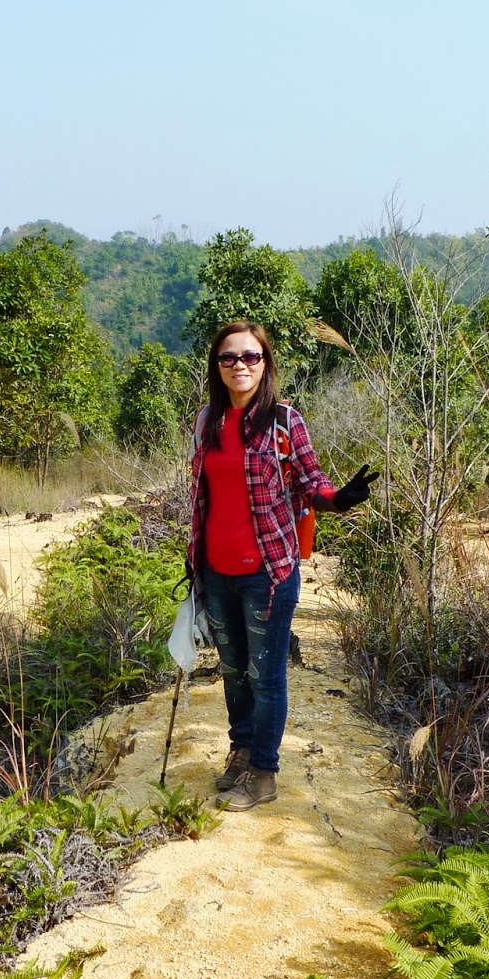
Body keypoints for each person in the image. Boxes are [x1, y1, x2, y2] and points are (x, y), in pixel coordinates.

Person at [188, 320, 378, 811]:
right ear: (217, 365)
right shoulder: (206, 421)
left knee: (265, 675)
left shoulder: (283, 421)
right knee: (233, 671)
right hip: (216, 572)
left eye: (250, 356)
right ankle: (242, 752)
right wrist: (195, 562)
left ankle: (264, 773)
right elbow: (202, 497)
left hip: (268, 573)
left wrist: (339, 499)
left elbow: (312, 482)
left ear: (265, 363)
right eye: (229, 357)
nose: (240, 365)